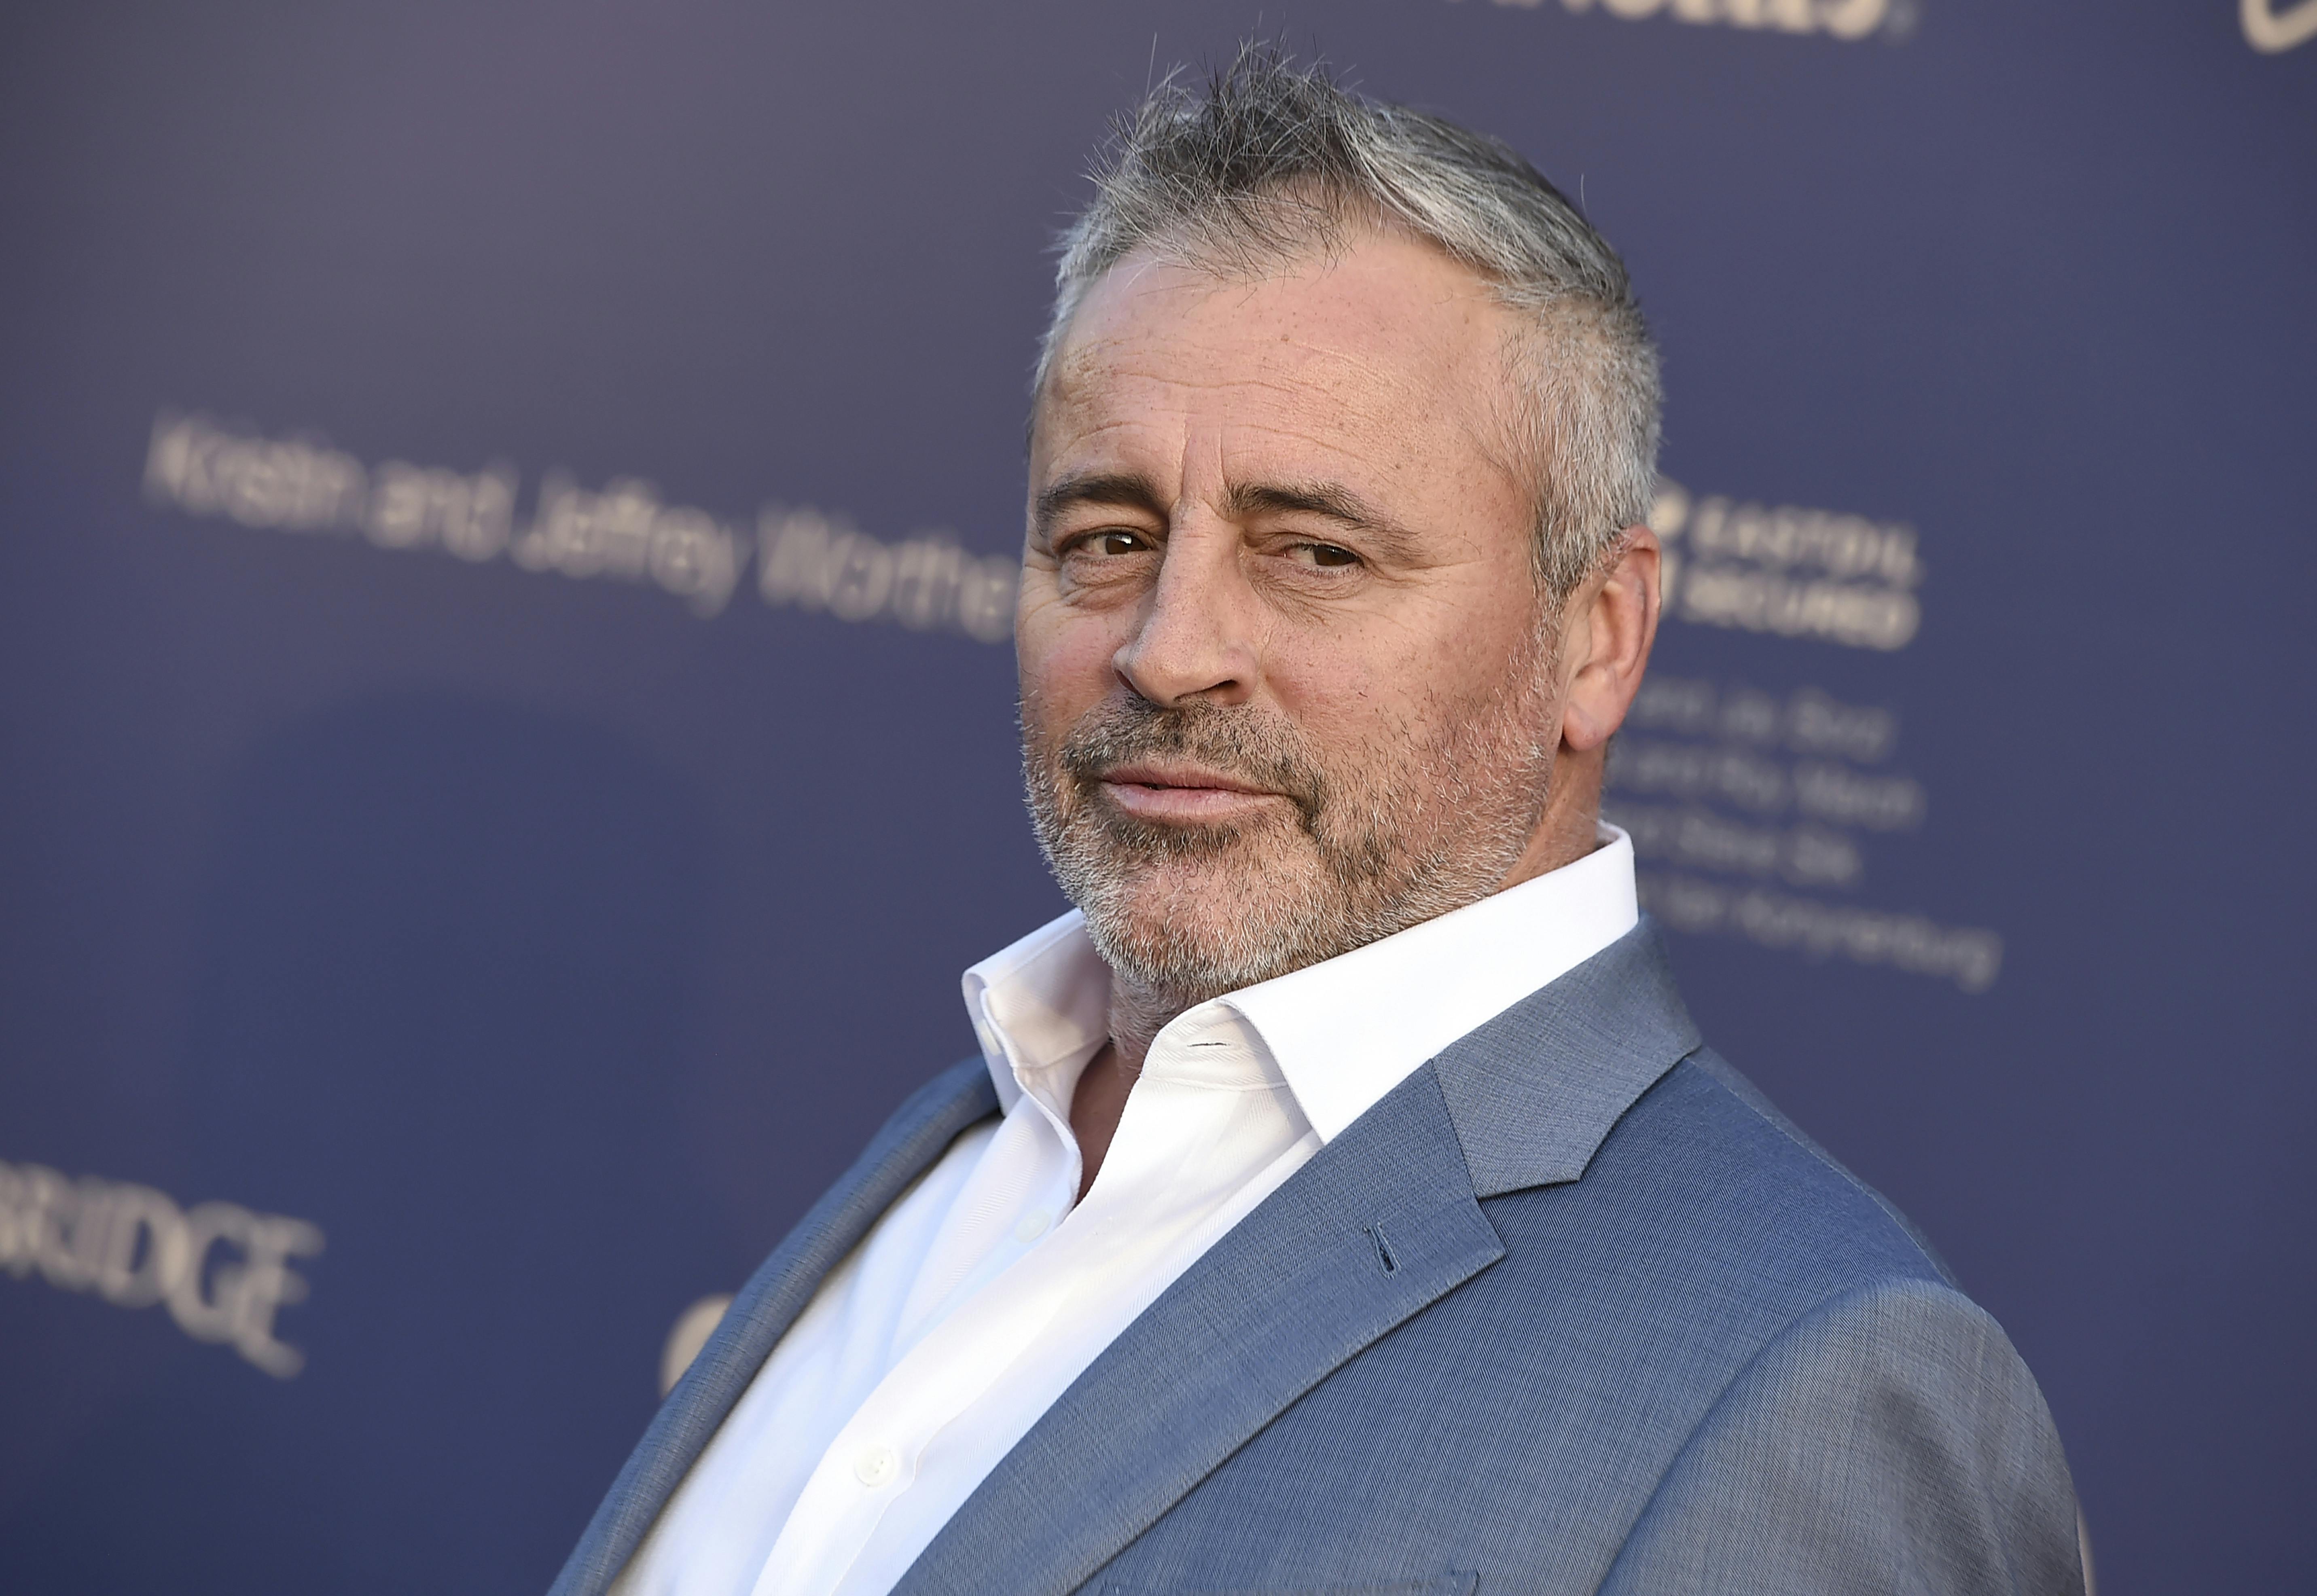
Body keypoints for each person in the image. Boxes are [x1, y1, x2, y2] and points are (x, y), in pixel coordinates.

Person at [557, 51, 2084, 1596]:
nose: (1167, 647)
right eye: (1108, 536)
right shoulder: (958, 1138)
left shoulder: (1806, 1382)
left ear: (1598, 637)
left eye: (1317, 554)